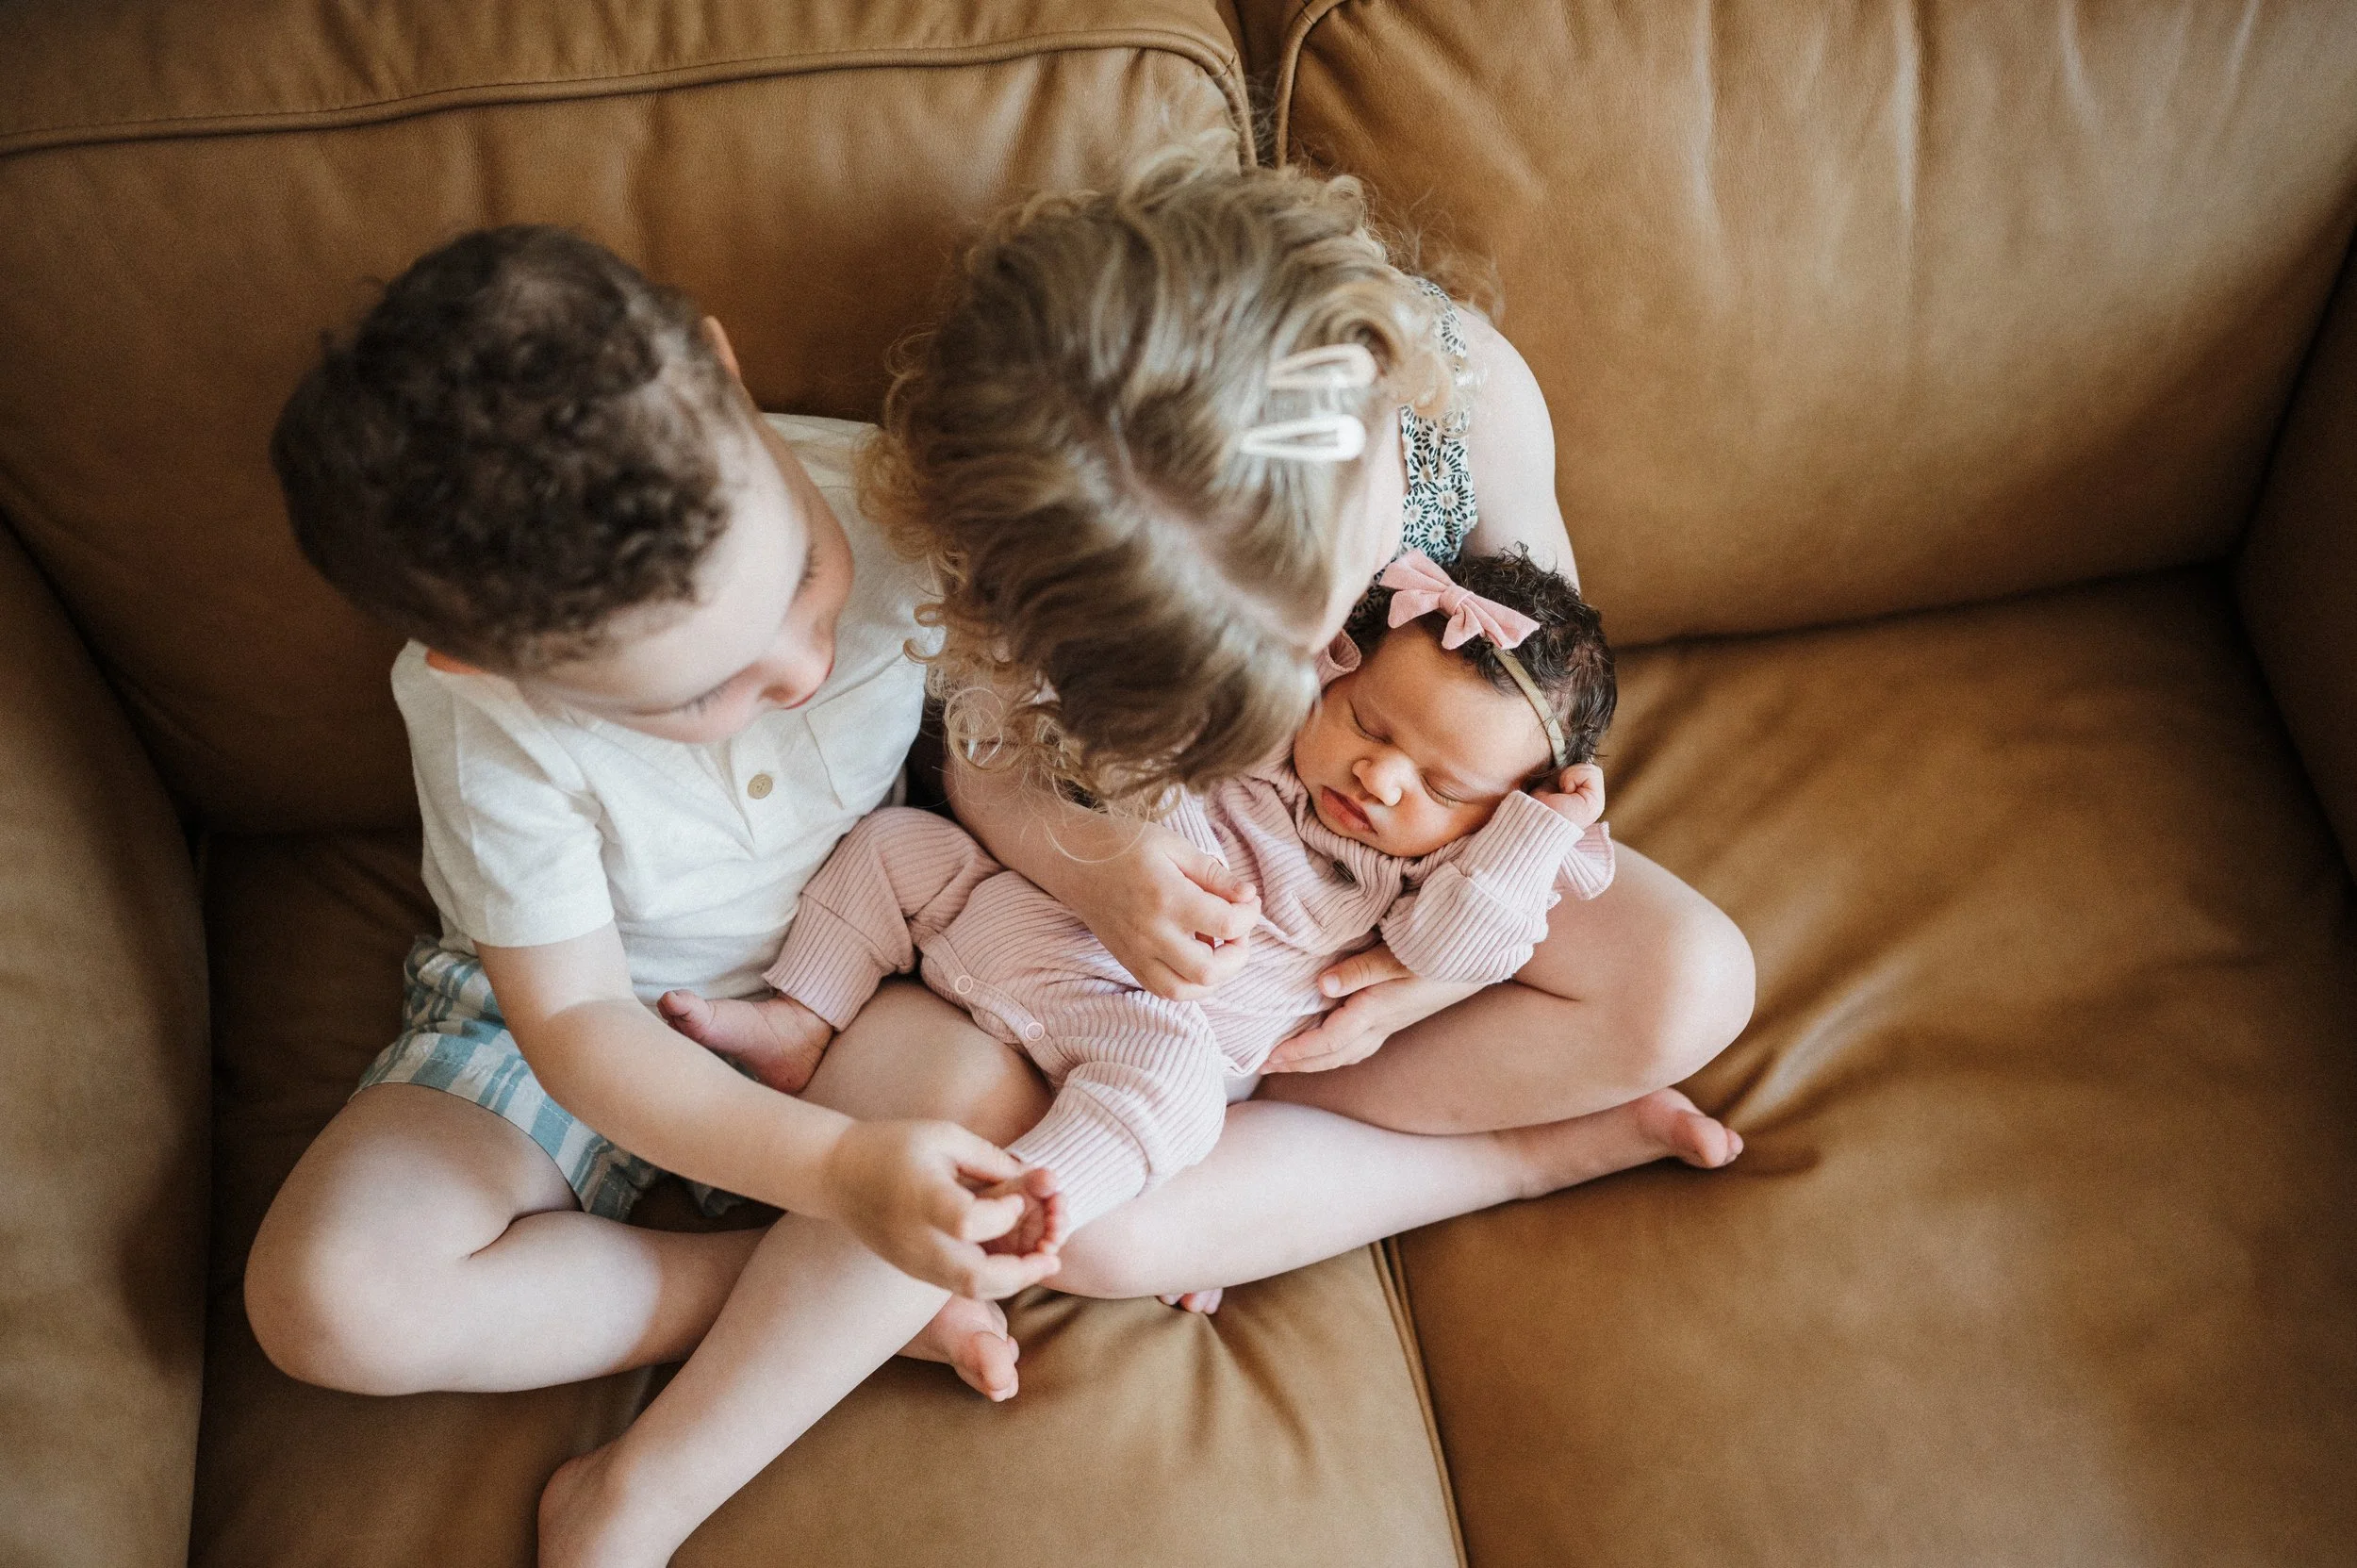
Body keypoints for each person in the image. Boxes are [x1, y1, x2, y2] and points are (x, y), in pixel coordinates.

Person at [244, 225, 1067, 1461]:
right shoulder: (484, 721)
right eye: (699, 694)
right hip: (584, 1004)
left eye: (800, 573)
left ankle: (838, 1281)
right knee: (328, 1297)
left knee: (987, 1107)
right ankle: (802, 1293)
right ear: (493, 665)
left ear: (725, 377)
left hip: (865, 964)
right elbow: (574, 1023)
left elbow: (1042, 728)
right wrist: (839, 1176)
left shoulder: (906, 499)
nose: (798, 668)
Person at [668, 546, 1739, 1244]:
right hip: (1023, 917)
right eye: (1369, 726)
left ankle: (1038, 1193)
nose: (1380, 778)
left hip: (1145, 1026)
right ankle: (797, 1021)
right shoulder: (1268, 722)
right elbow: (1086, 720)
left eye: (1443, 785)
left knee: (1176, 1088)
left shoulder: (1436, 872)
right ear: (1336, 669)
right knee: (892, 844)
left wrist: (1533, 836)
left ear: (1500, 807)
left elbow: (1467, 946)